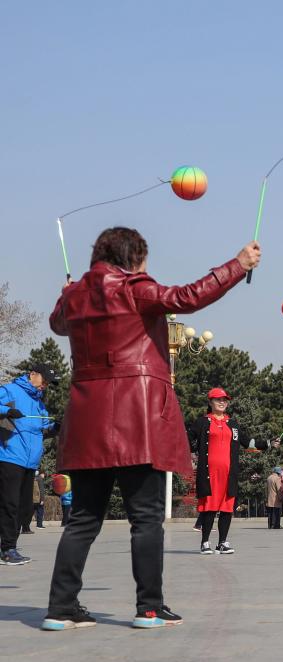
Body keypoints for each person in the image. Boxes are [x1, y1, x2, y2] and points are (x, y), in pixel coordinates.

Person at [42, 227, 259, 630]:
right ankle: (149, 607)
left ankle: (60, 607)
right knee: (146, 518)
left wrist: (66, 292)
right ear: (135, 258)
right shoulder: (135, 288)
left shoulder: (74, 298)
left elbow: (58, 323)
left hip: (88, 419)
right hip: (136, 416)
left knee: (84, 518)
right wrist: (237, 265)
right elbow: (188, 297)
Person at [0, 363, 58, 565]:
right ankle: (8, 549)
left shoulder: (39, 403)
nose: (46, 385)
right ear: (33, 374)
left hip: (30, 462)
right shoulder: (10, 390)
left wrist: (58, 425)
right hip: (9, 456)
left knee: (25, 508)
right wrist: (6, 412)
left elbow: (44, 428)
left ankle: (9, 547)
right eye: (45, 380)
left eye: (49, 383)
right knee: (10, 504)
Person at [189, 387, 242, 556]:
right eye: (218, 399)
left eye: (225, 400)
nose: (222, 402)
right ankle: (205, 542)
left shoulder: (232, 423)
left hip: (228, 474)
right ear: (210, 402)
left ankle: (222, 543)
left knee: (227, 509)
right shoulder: (203, 422)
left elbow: (247, 441)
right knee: (209, 508)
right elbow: (188, 438)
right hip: (209, 474)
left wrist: (269, 443)